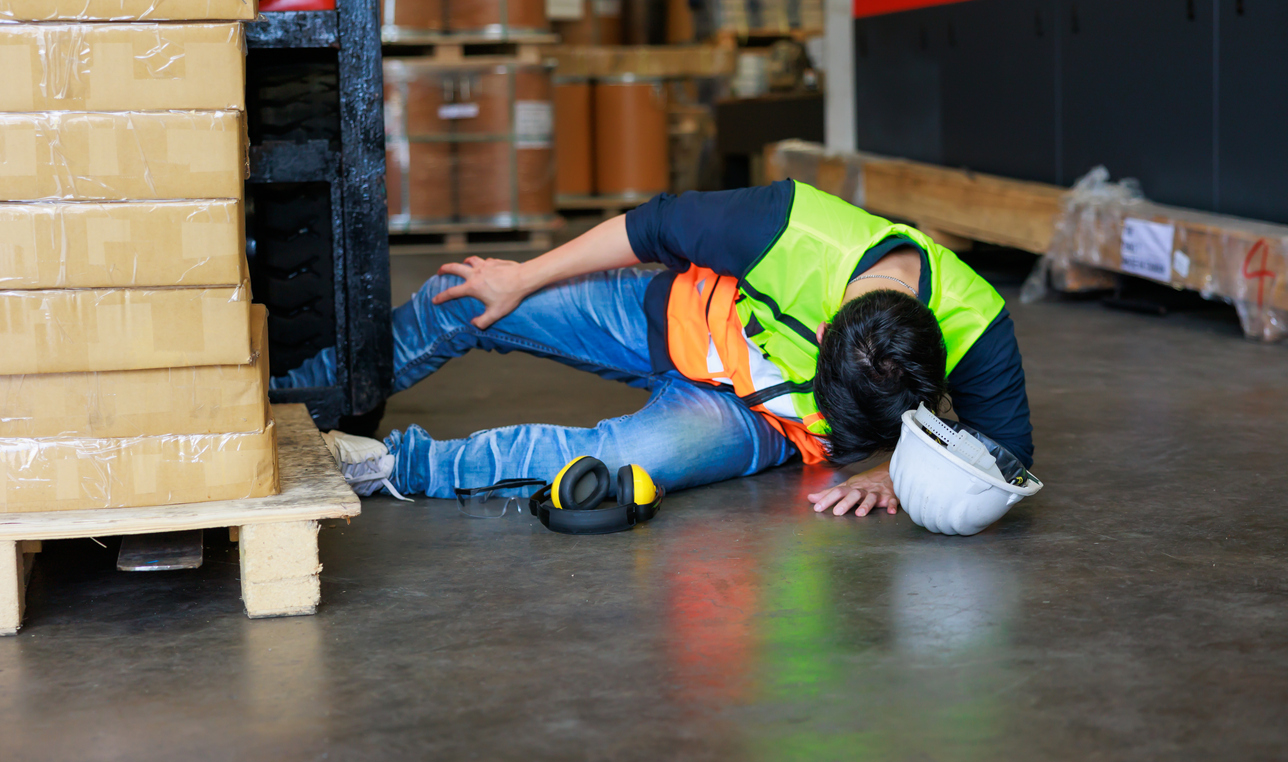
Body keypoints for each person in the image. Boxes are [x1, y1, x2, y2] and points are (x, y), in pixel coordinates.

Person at [275, 180, 1032, 517]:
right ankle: (293, 401)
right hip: (670, 314)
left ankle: (379, 466)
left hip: (754, 419)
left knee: (606, 461)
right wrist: (522, 276)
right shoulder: (787, 227)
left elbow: (1003, 455)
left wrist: (891, 472)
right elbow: (651, 227)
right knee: (472, 300)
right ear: (828, 329)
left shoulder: (974, 324)